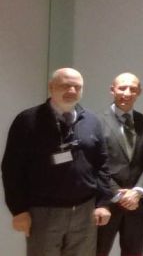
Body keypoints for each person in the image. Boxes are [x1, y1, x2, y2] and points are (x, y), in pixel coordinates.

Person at [2, 68, 114, 256]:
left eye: (77, 87)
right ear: (51, 87)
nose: (71, 91)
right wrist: (18, 210)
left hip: (85, 212)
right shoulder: (27, 120)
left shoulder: (92, 121)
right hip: (43, 212)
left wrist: (104, 203)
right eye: (65, 86)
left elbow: (102, 165)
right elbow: (12, 168)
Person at [97, 73, 143, 256]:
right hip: (105, 202)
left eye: (132, 89)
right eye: (122, 88)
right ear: (112, 90)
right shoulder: (96, 121)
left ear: (139, 92)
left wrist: (137, 192)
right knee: (97, 251)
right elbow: (95, 163)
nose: (127, 93)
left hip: (136, 204)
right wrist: (117, 194)